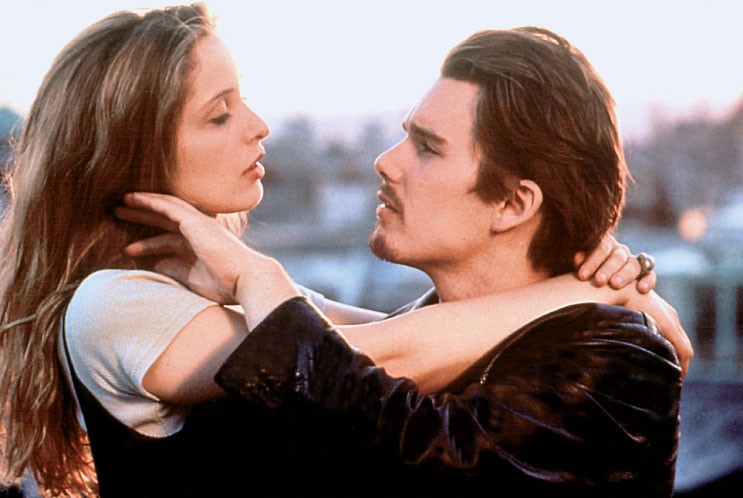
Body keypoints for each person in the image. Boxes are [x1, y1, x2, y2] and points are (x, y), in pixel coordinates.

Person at [0, 3, 688, 497]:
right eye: (219, 114)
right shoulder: (116, 300)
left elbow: (351, 357)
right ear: (136, 151)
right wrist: (589, 289)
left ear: (513, 203)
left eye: (426, 147)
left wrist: (615, 298)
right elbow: (362, 360)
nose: (384, 162)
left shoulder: (610, 363)